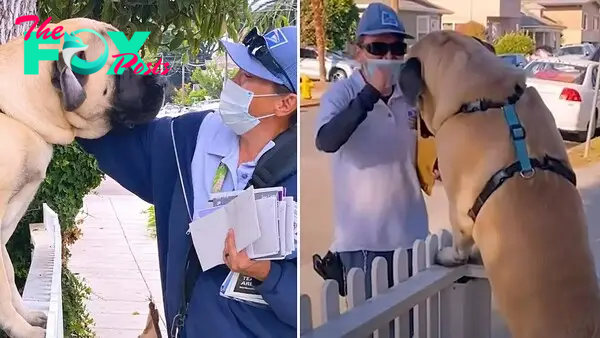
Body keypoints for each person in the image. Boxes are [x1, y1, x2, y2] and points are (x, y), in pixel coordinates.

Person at [78, 26, 298, 338]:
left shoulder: (304, 178)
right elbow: (96, 129)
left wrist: (265, 273)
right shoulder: (187, 141)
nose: (232, 82)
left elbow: (314, 304)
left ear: (285, 104)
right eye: (238, 70)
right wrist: (36, 58)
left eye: (248, 77)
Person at [314, 2, 429, 333]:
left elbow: (426, 146)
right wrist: (368, 95)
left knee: (410, 329)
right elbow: (326, 140)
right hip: (363, 243)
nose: (389, 57)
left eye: (397, 49)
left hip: (413, 237)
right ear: (359, 51)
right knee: (374, 330)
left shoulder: (412, 97)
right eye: (378, 48)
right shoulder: (341, 93)